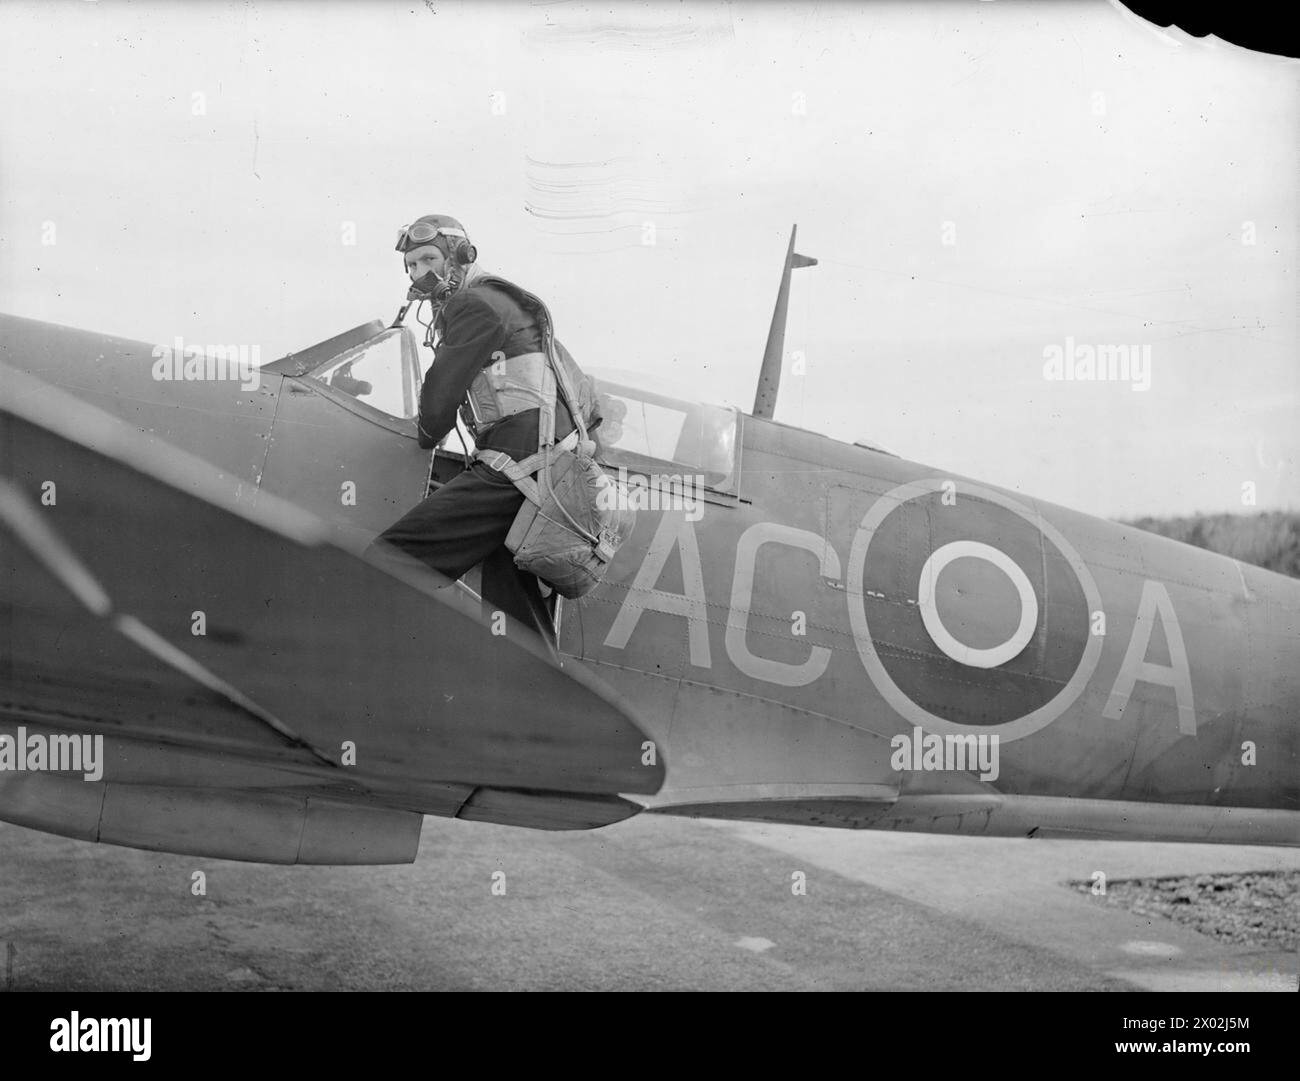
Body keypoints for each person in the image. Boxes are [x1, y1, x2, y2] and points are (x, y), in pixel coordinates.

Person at [365, 214, 598, 655]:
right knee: (519, 629)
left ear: (461, 256)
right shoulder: (508, 304)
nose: (420, 274)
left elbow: (437, 407)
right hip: (544, 479)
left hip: (513, 473)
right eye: (412, 266)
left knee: (388, 563)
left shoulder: (473, 305)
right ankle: (542, 713)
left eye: (429, 259)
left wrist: (425, 432)